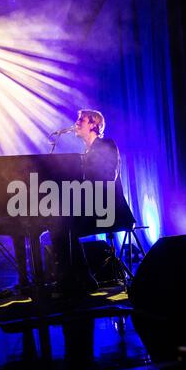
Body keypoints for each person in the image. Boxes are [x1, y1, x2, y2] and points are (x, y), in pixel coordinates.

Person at [49, 108, 135, 298]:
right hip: (92, 206)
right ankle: (77, 278)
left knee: (63, 224)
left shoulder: (106, 145)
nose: (77, 122)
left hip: (110, 209)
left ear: (94, 125)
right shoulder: (85, 152)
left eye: (82, 119)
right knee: (57, 223)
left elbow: (107, 178)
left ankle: (80, 278)